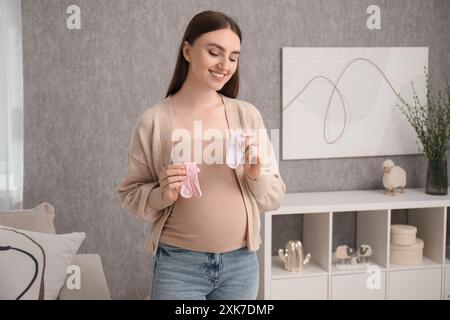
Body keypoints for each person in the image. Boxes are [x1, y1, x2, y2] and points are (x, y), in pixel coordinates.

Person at [116, 10, 286, 300]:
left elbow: (274, 197)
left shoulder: (247, 116)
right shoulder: (154, 121)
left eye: (233, 57)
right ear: (188, 51)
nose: (224, 65)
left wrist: (255, 174)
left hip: (240, 265)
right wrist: (162, 195)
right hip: (179, 267)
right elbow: (130, 193)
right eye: (214, 52)